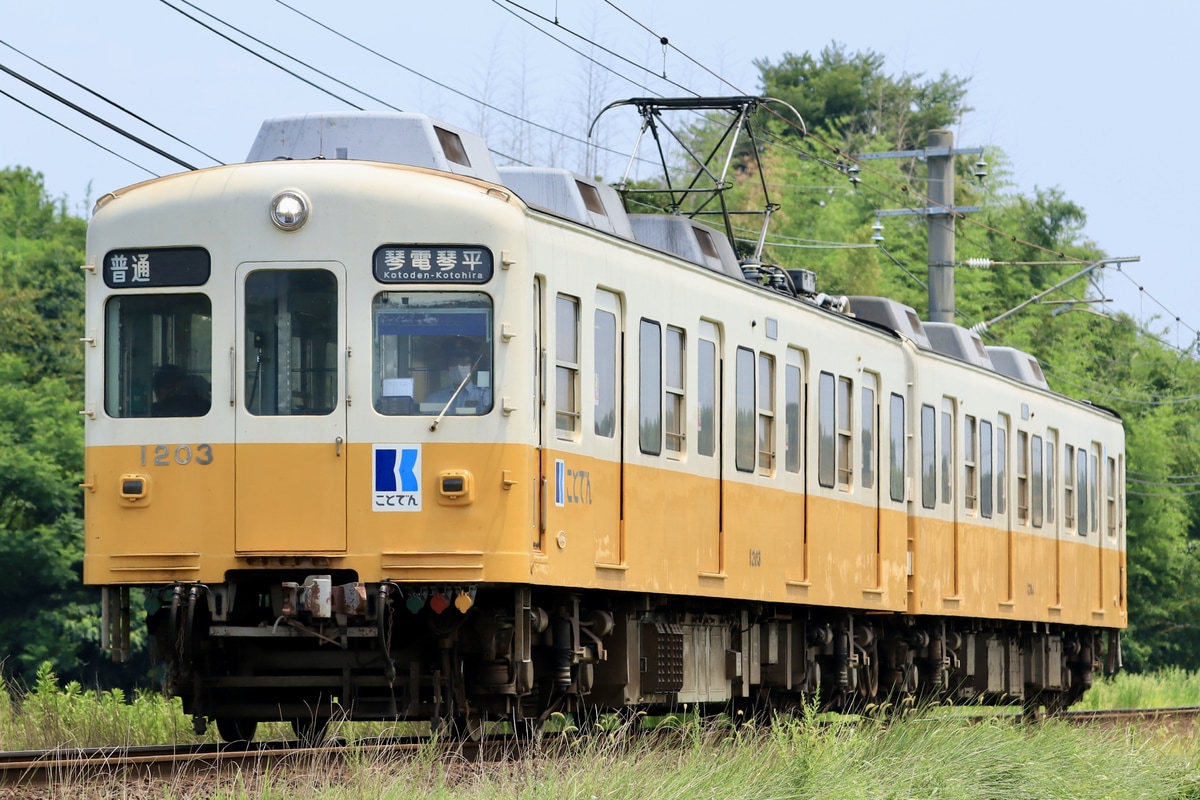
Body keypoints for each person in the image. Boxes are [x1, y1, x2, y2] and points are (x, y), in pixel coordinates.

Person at [426, 345, 491, 413]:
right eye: (453, 362)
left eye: (464, 362)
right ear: (447, 367)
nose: (458, 367)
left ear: (474, 366)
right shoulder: (434, 398)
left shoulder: (485, 396)